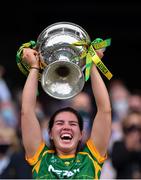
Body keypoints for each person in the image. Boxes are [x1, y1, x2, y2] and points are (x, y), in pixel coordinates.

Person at [20, 47, 112, 179]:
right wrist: (34, 67)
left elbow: (105, 111)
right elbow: (27, 112)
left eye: (73, 124)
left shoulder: (91, 158)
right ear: (50, 133)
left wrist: (92, 65)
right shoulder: (40, 158)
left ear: (81, 134)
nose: (66, 127)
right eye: (60, 123)